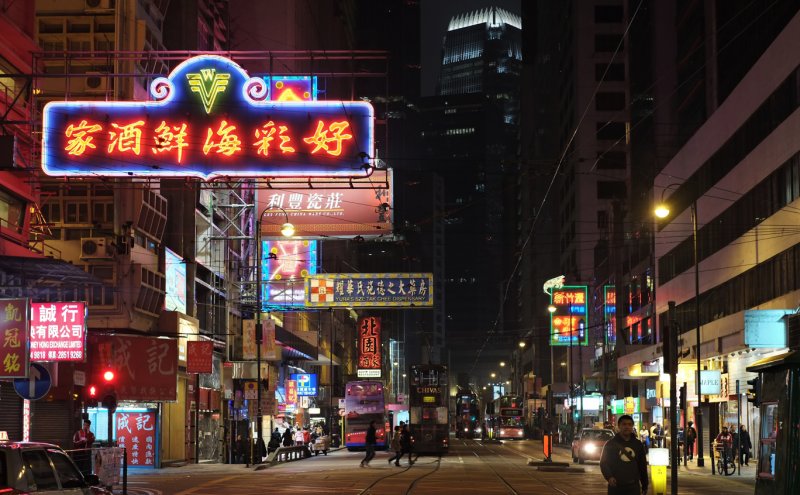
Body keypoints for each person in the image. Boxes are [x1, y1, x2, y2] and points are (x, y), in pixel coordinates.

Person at [600, 415, 648, 495]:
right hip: (616, 487)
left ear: (632, 426)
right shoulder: (610, 444)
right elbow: (604, 463)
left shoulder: (638, 444)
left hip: (633, 487)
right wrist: (609, 477)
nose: (627, 427)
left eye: (629, 424)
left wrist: (645, 484)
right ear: (619, 426)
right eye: (624, 424)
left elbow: (642, 465)